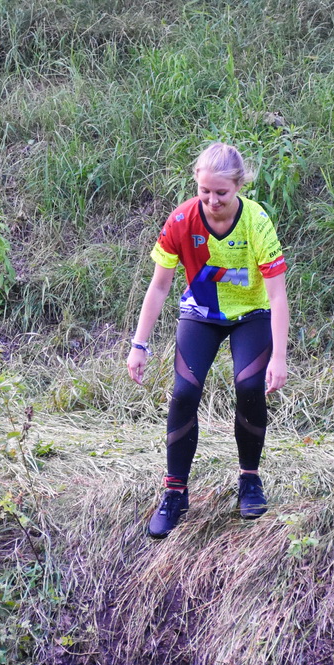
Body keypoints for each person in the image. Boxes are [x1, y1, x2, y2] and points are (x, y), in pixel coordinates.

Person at [127, 142, 290, 539]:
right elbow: (159, 286)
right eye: (205, 192)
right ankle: (175, 492)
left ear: (239, 187)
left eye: (222, 193)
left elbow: (277, 295)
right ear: (196, 185)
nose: (213, 200)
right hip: (200, 314)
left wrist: (280, 357)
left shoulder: (256, 221)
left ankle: (250, 480)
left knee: (249, 386)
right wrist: (139, 344)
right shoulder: (182, 219)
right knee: (184, 393)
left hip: (251, 315)